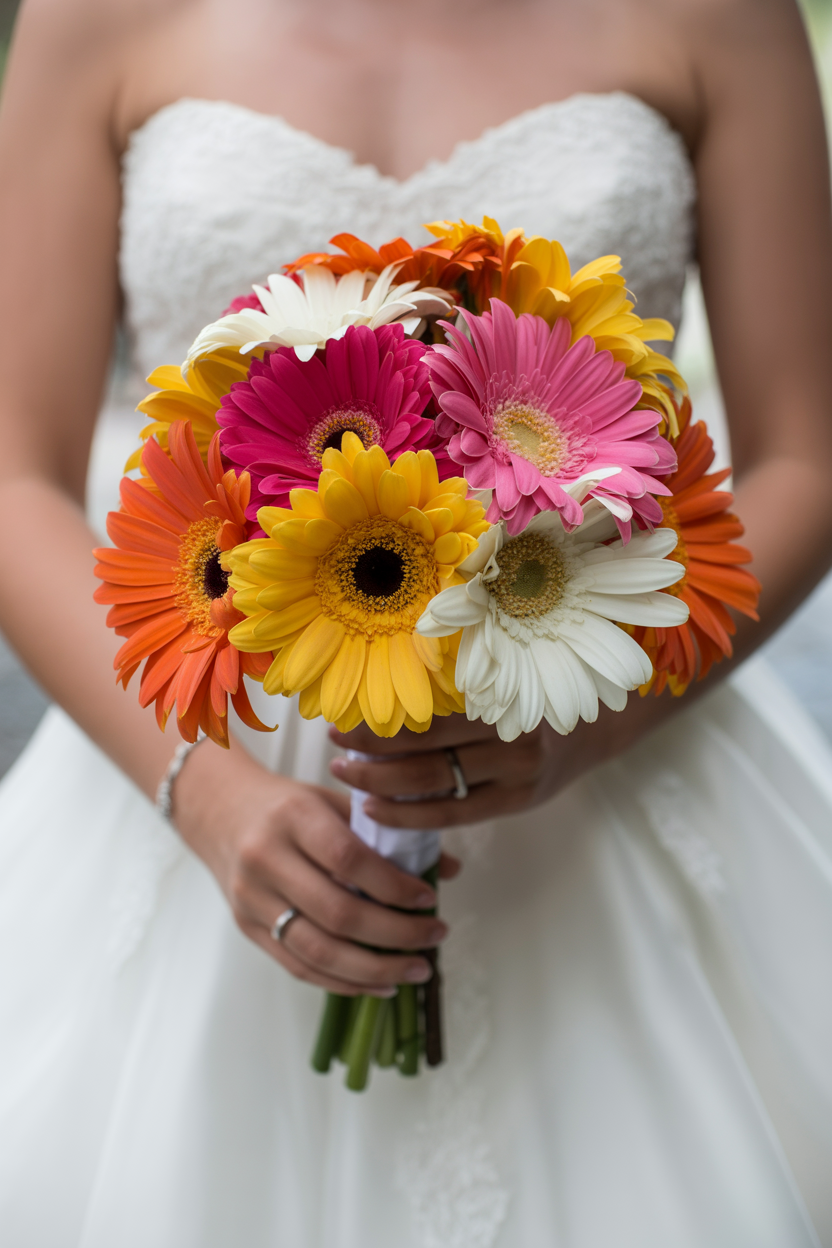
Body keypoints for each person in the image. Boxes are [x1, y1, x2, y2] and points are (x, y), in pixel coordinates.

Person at [1, 0, 832, 1243]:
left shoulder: (724, 17)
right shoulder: (94, 16)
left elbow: (805, 457)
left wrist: (589, 723)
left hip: (599, 688)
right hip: (196, 730)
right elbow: (14, 472)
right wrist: (202, 789)